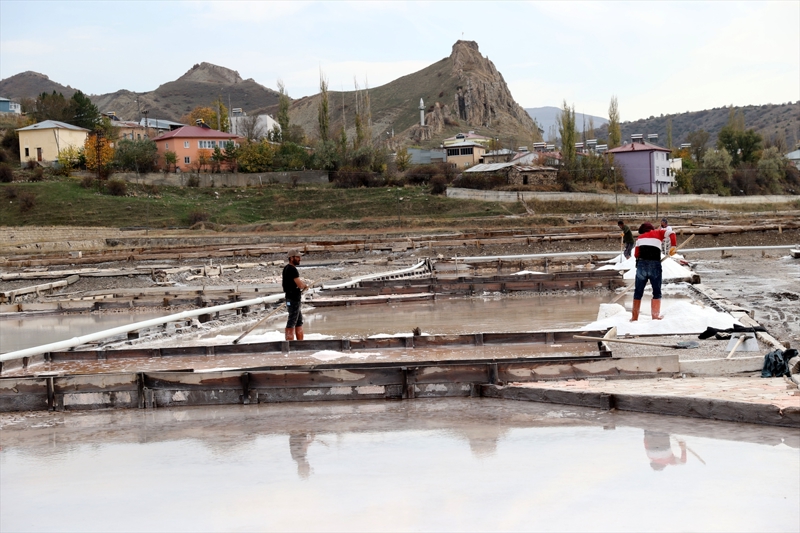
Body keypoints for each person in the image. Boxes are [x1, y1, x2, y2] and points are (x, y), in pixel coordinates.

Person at [631, 222, 676, 321]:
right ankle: (655, 316)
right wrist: (673, 246)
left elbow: (636, 254)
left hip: (641, 266)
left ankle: (634, 317)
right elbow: (672, 233)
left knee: (638, 292)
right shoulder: (659, 233)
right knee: (656, 292)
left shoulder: (640, 238)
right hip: (655, 265)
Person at [282, 249, 308, 340]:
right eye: (297, 257)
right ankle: (289, 345)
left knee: (298, 321)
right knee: (292, 321)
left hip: (291, 298)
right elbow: (300, 285)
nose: (299, 259)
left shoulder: (286, 268)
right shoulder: (292, 269)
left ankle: (300, 343)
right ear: (291, 258)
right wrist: (305, 286)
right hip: (293, 299)